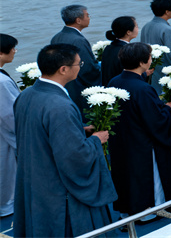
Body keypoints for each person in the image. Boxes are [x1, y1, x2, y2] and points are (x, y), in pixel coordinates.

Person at [13, 43, 117, 237]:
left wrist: (79, 128)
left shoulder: (26, 94)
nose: (81, 67)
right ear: (63, 69)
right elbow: (74, 156)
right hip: (57, 185)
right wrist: (96, 140)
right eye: (79, 64)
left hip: (34, 175)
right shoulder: (59, 105)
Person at [108, 43, 171, 219]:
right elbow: (156, 120)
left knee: (127, 175)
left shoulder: (114, 81)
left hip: (123, 139)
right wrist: (168, 109)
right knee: (150, 176)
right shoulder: (143, 89)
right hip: (143, 143)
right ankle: (149, 212)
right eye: (149, 57)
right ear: (143, 62)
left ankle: (129, 209)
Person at [140, 0, 171, 136]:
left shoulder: (146, 26)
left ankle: (164, 129)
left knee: (159, 100)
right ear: (167, 11)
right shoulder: (166, 29)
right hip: (168, 71)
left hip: (153, 71)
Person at [50, 4, 102, 116]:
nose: (89, 18)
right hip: (78, 87)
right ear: (78, 20)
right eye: (87, 15)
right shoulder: (78, 40)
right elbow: (87, 68)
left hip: (64, 83)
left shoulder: (57, 36)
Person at [0, 34, 19, 217]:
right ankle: (5, 206)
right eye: (12, 47)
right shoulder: (2, 82)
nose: (14, 51)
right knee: (5, 169)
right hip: (3, 134)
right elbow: (8, 115)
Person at [100, 16, 138, 86]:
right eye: (136, 26)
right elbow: (129, 74)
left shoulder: (108, 47)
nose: (138, 28)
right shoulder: (128, 51)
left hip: (108, 87)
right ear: (128, 32)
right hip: (122, 89)